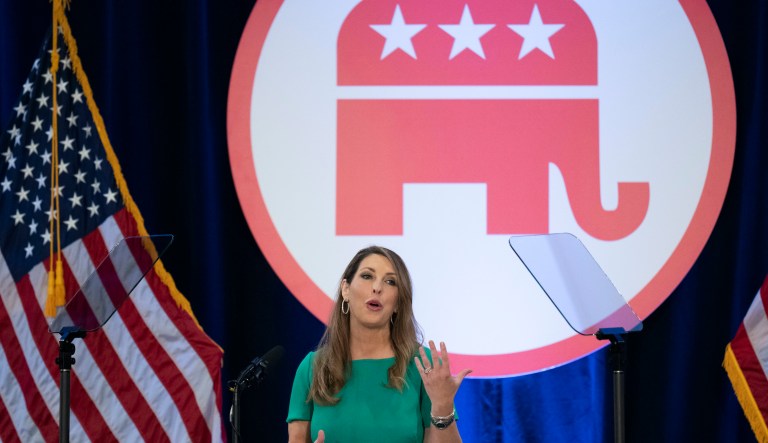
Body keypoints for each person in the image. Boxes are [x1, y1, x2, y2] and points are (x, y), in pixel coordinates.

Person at [287, 246, 472, 443]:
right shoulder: (313, 367)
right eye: (367, 276)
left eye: (390, 281)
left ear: (398, 304)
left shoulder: (423, 365)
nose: (377, 287)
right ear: (346, 289)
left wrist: (443, 406)